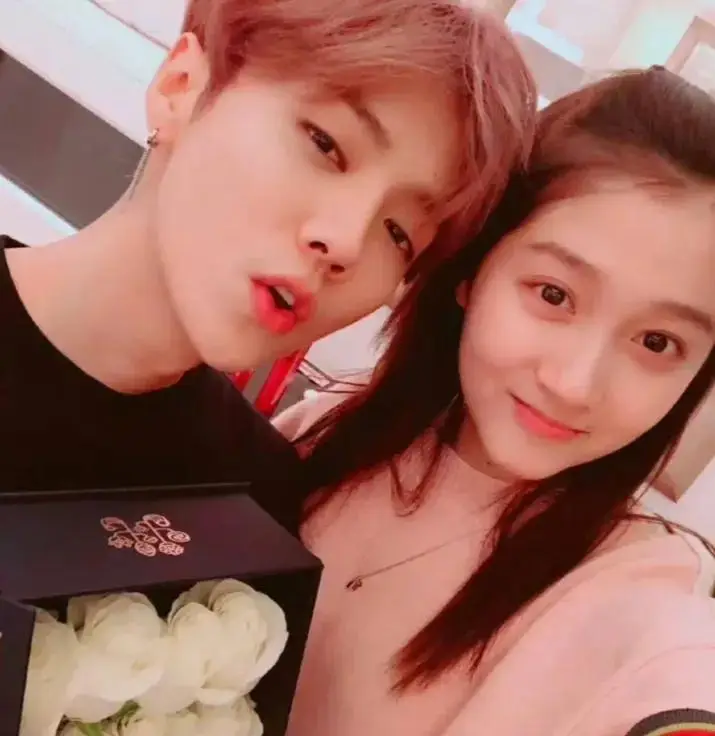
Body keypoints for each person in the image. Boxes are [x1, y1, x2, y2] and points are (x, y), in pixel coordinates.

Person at [275, 67, 715, 736]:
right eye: (553, 295)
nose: (575, 383)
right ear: (473, 270)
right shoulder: (325, 430)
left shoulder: (633, 593)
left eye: (656, 342)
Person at [0, 0, 535, 505]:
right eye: (325, 144)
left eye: (400, 234)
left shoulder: (251, 504)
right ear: (180, 86)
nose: (346, 242)